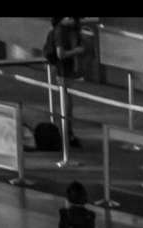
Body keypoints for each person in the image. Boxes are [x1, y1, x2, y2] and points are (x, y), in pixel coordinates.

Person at [44, 16, 87, 148]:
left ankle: (68, 133)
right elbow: (60, 54)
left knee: (68, 103)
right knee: (66, 104)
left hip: (66, 72)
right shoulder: (60, 31)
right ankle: (67, 134)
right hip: (62, 71)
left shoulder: (68, 30)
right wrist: (77, 51)